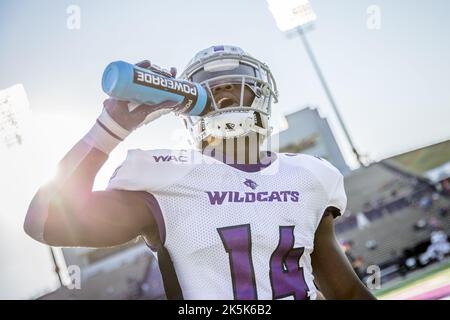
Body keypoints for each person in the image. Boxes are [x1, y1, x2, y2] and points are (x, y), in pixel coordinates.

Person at [24, 45, 375, 300]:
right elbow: (45, 221)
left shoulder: (310, 176)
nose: (223, 89)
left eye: (235, 83)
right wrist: (109, 128)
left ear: (263, 96)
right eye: (211, 85)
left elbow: (345, 292)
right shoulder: (166, 177)